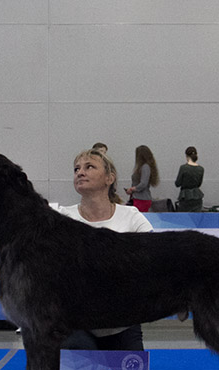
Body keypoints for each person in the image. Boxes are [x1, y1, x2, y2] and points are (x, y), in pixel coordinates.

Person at [59, 149, 152, 350]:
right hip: (75, 323)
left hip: (123, 322)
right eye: (76, 169)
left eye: (89, 167)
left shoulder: (132, 216)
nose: (80, 173)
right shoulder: (61, 217)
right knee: (78, 359)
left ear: (110, 178)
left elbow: (154, 258)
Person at [126, 145, 159, 213]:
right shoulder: (145, 167)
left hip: (141, 199)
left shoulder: (145, 167)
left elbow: (143, 183)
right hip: (139, 198)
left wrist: (132, 189)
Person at [174, 146, 205, 212]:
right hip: (197, 196)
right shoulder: (201, 169)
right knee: (196, 218)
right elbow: (199, 184)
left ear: (186, 156)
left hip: (185, 196)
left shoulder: (183, 168)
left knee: (184, 218)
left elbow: (177, 183)